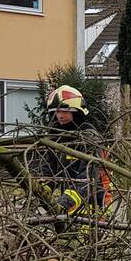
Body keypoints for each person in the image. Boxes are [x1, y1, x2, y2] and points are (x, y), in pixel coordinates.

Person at [37, 85, 112, 216]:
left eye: (65, 111)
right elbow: (49, 169)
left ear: (77, 112)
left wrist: (67, 201)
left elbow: (88, 177)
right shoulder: (56, 138)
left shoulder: (90, 138)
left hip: (95, 203)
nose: (60, 116)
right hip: (70, 202)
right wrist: (42, 188)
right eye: (57, 112)